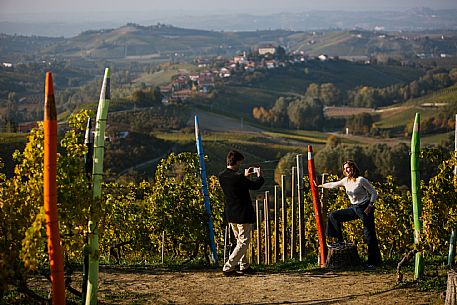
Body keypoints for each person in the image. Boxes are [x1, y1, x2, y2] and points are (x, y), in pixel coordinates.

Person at [319, 160, 382, 267]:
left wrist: (370, 206)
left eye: (349, 167)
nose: (347, 170)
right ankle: (340, 241)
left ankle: (374, 262)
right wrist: (320, 186)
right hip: (354, 208)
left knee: (369, 235)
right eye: (345, 168)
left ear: (353, 168)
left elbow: (374, 193)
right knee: (334, 216)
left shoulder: (361, 180)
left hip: (365, 208)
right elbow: (333, 184)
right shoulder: (345, 181)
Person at [218, 150, 264, 276]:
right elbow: (255, 186)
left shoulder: (221, 176)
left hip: (231, 213)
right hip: (242, 214)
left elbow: (237, 187)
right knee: (244, 242)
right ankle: (228, 267)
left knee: (239, 241)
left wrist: (244, 177)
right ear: (237, 162)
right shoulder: (238, 178)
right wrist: (259, 175)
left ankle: (244, 265)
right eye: (240, 162)